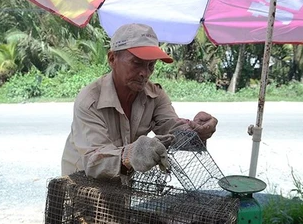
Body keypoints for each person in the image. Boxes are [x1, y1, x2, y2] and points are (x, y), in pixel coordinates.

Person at [61, 23, 218, 180]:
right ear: (112, 58)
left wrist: (197, 131)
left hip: (121, 186)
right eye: (136, 63)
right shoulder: (90, 101)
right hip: (81, 185)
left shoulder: (155, 95)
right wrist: (130, 154)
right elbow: (94, 162)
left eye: (151, 65)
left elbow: (173, 130)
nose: (144, 73)